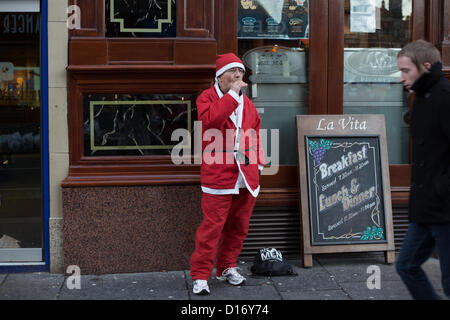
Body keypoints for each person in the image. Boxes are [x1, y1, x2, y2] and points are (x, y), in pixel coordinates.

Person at [190, 53, 265, 295]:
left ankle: (226, 267)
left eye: (240, 72)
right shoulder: (207, 97)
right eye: (233, 72)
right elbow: (211, 121)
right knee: (212, 228)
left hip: (246, 175)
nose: (237, 76)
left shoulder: (248, 104)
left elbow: (255, 133)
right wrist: (232, 95)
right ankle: (201, 275)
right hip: (219, 175)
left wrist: (259, 163)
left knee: (238, 227)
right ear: (219, 76)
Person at [395, 39, 450, 299]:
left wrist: (441, 188)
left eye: (406, 71)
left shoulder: (444, 98)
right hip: (426, 207)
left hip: (445, 207)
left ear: (426, 66)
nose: (401, 77)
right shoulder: (422, 97)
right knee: (406, 265)